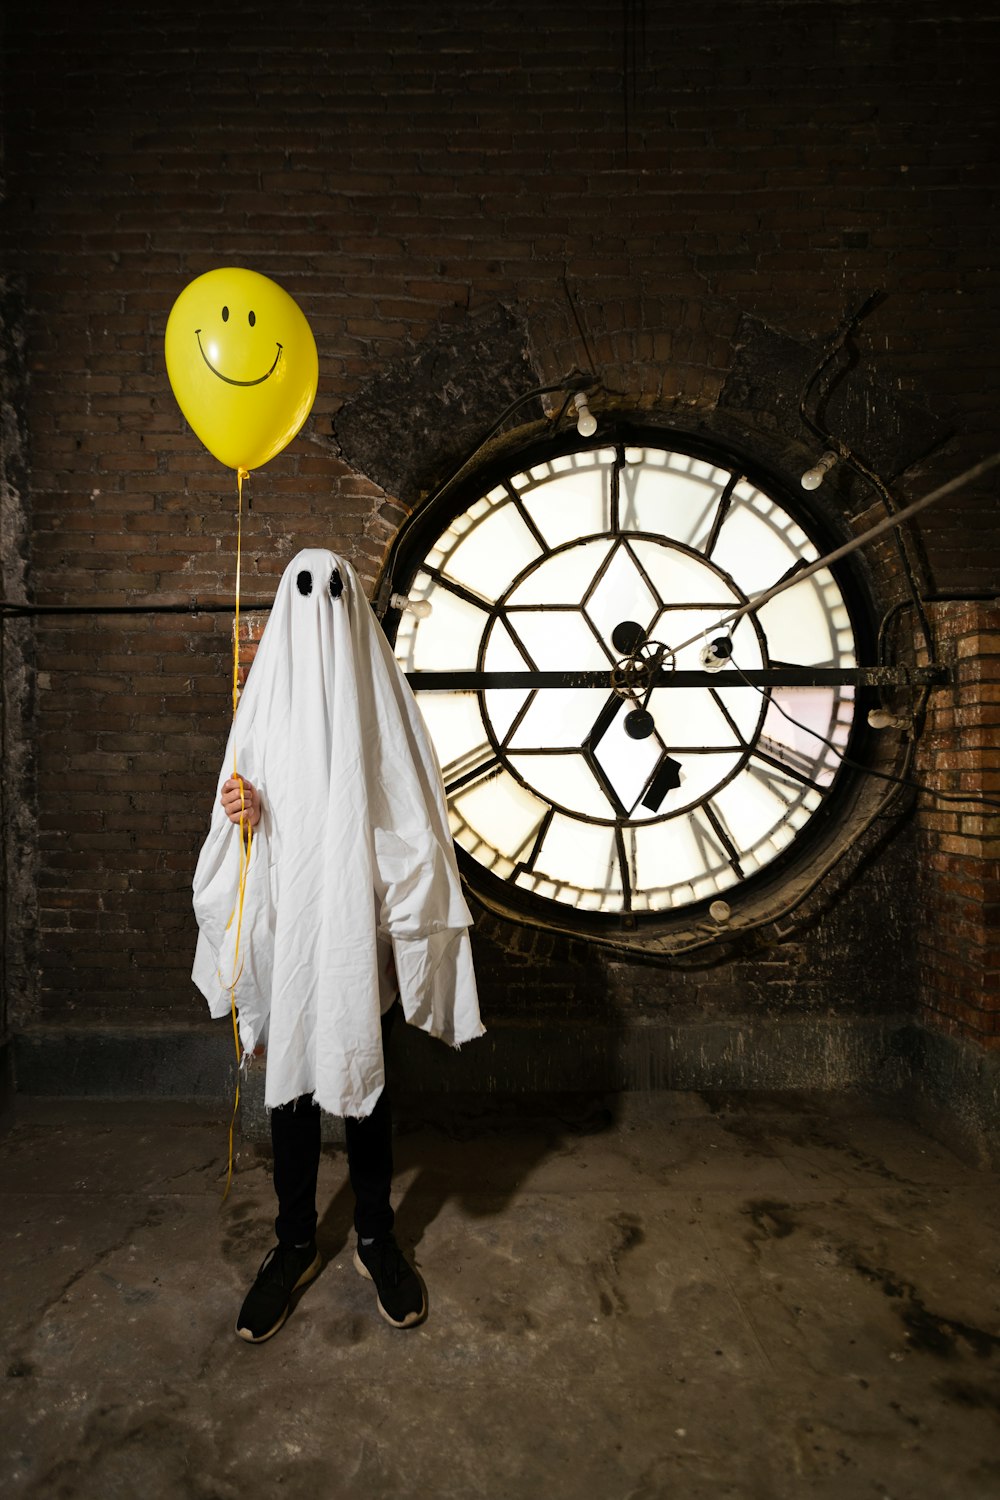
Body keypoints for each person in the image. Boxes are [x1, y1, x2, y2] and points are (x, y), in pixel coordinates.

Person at [192, 550, 483, 1343]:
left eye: (335, 590)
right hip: (292, 927)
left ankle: (376, 1236)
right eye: (304, 590)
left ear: (352, 603)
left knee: (366, 1075)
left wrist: (398, 903)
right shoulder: (265, 705)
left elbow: (410, 804)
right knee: (288, 1085)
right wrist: (242, 809)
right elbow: (241, 818)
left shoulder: (379, 699)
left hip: (362, 928)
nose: (320, 608)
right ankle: (292, 1242)